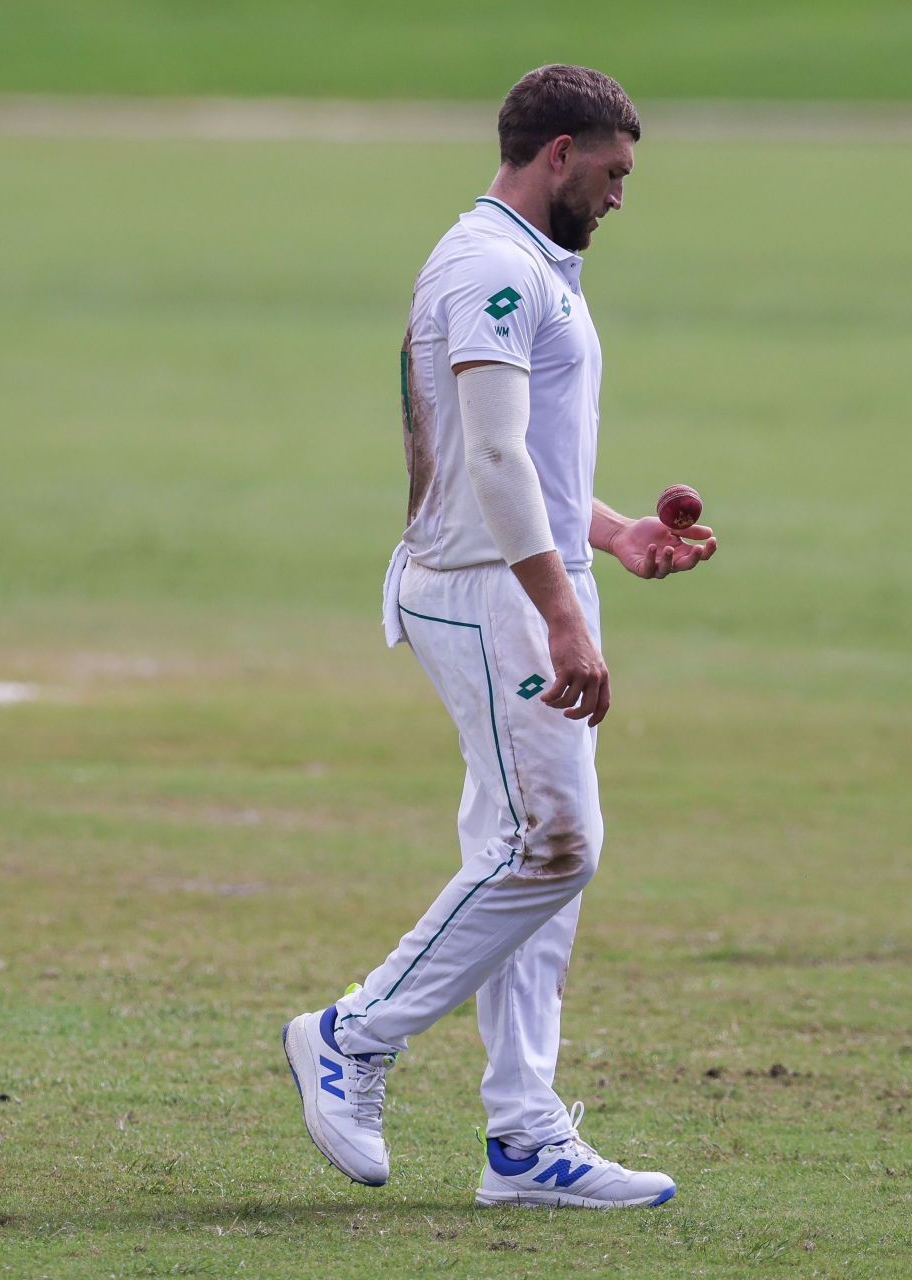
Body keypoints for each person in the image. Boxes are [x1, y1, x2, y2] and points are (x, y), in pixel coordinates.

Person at [282, 64, 717, 1210]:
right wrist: (563, 614)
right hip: (488, 592)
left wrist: (615, 534)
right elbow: (488, 457)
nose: (624, 195)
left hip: (520, 578)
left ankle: (525, 1138)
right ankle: (349, 1033)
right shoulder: (492, 268)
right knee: (553, 845)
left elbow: (526, 456)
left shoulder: (531, 267)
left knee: (527, 863)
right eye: (615, 172)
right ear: (559, 152)